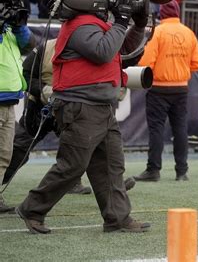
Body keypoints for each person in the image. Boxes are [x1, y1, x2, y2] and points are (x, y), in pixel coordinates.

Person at [16, 0, 150, 234]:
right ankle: (32, 209)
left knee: (111, 165)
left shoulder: (92, 23)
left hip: (99, 106)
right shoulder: (79, 24)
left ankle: (117, 218)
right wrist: (122, 20)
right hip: (82, 106)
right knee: (72, 165)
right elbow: (102, 51)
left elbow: (123, 50)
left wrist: (138, 24)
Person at [2, 39, 136, 195]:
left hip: (71, 107)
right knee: (19, 149)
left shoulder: (92, 48)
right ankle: (1, 183)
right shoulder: (46, 48)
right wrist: (43, 90)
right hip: (41, 107)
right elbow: (26, 74)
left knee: (84, 147)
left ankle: (110, 184)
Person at [134, 0, 198, 182]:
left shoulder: (158, 32)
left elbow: (146, 62)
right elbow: (195, 64)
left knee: (156, 130)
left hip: (159, 89)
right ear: (177, 11)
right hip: (181, 89)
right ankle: (181, 172)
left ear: (161, 13)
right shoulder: (188, 33)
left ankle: (153, 170)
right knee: (180, 130)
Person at [0, 0, 35, 213]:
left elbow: (29, 45)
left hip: (10, 101)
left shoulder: (11, 30)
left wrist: (19, 23)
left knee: (4, 154)